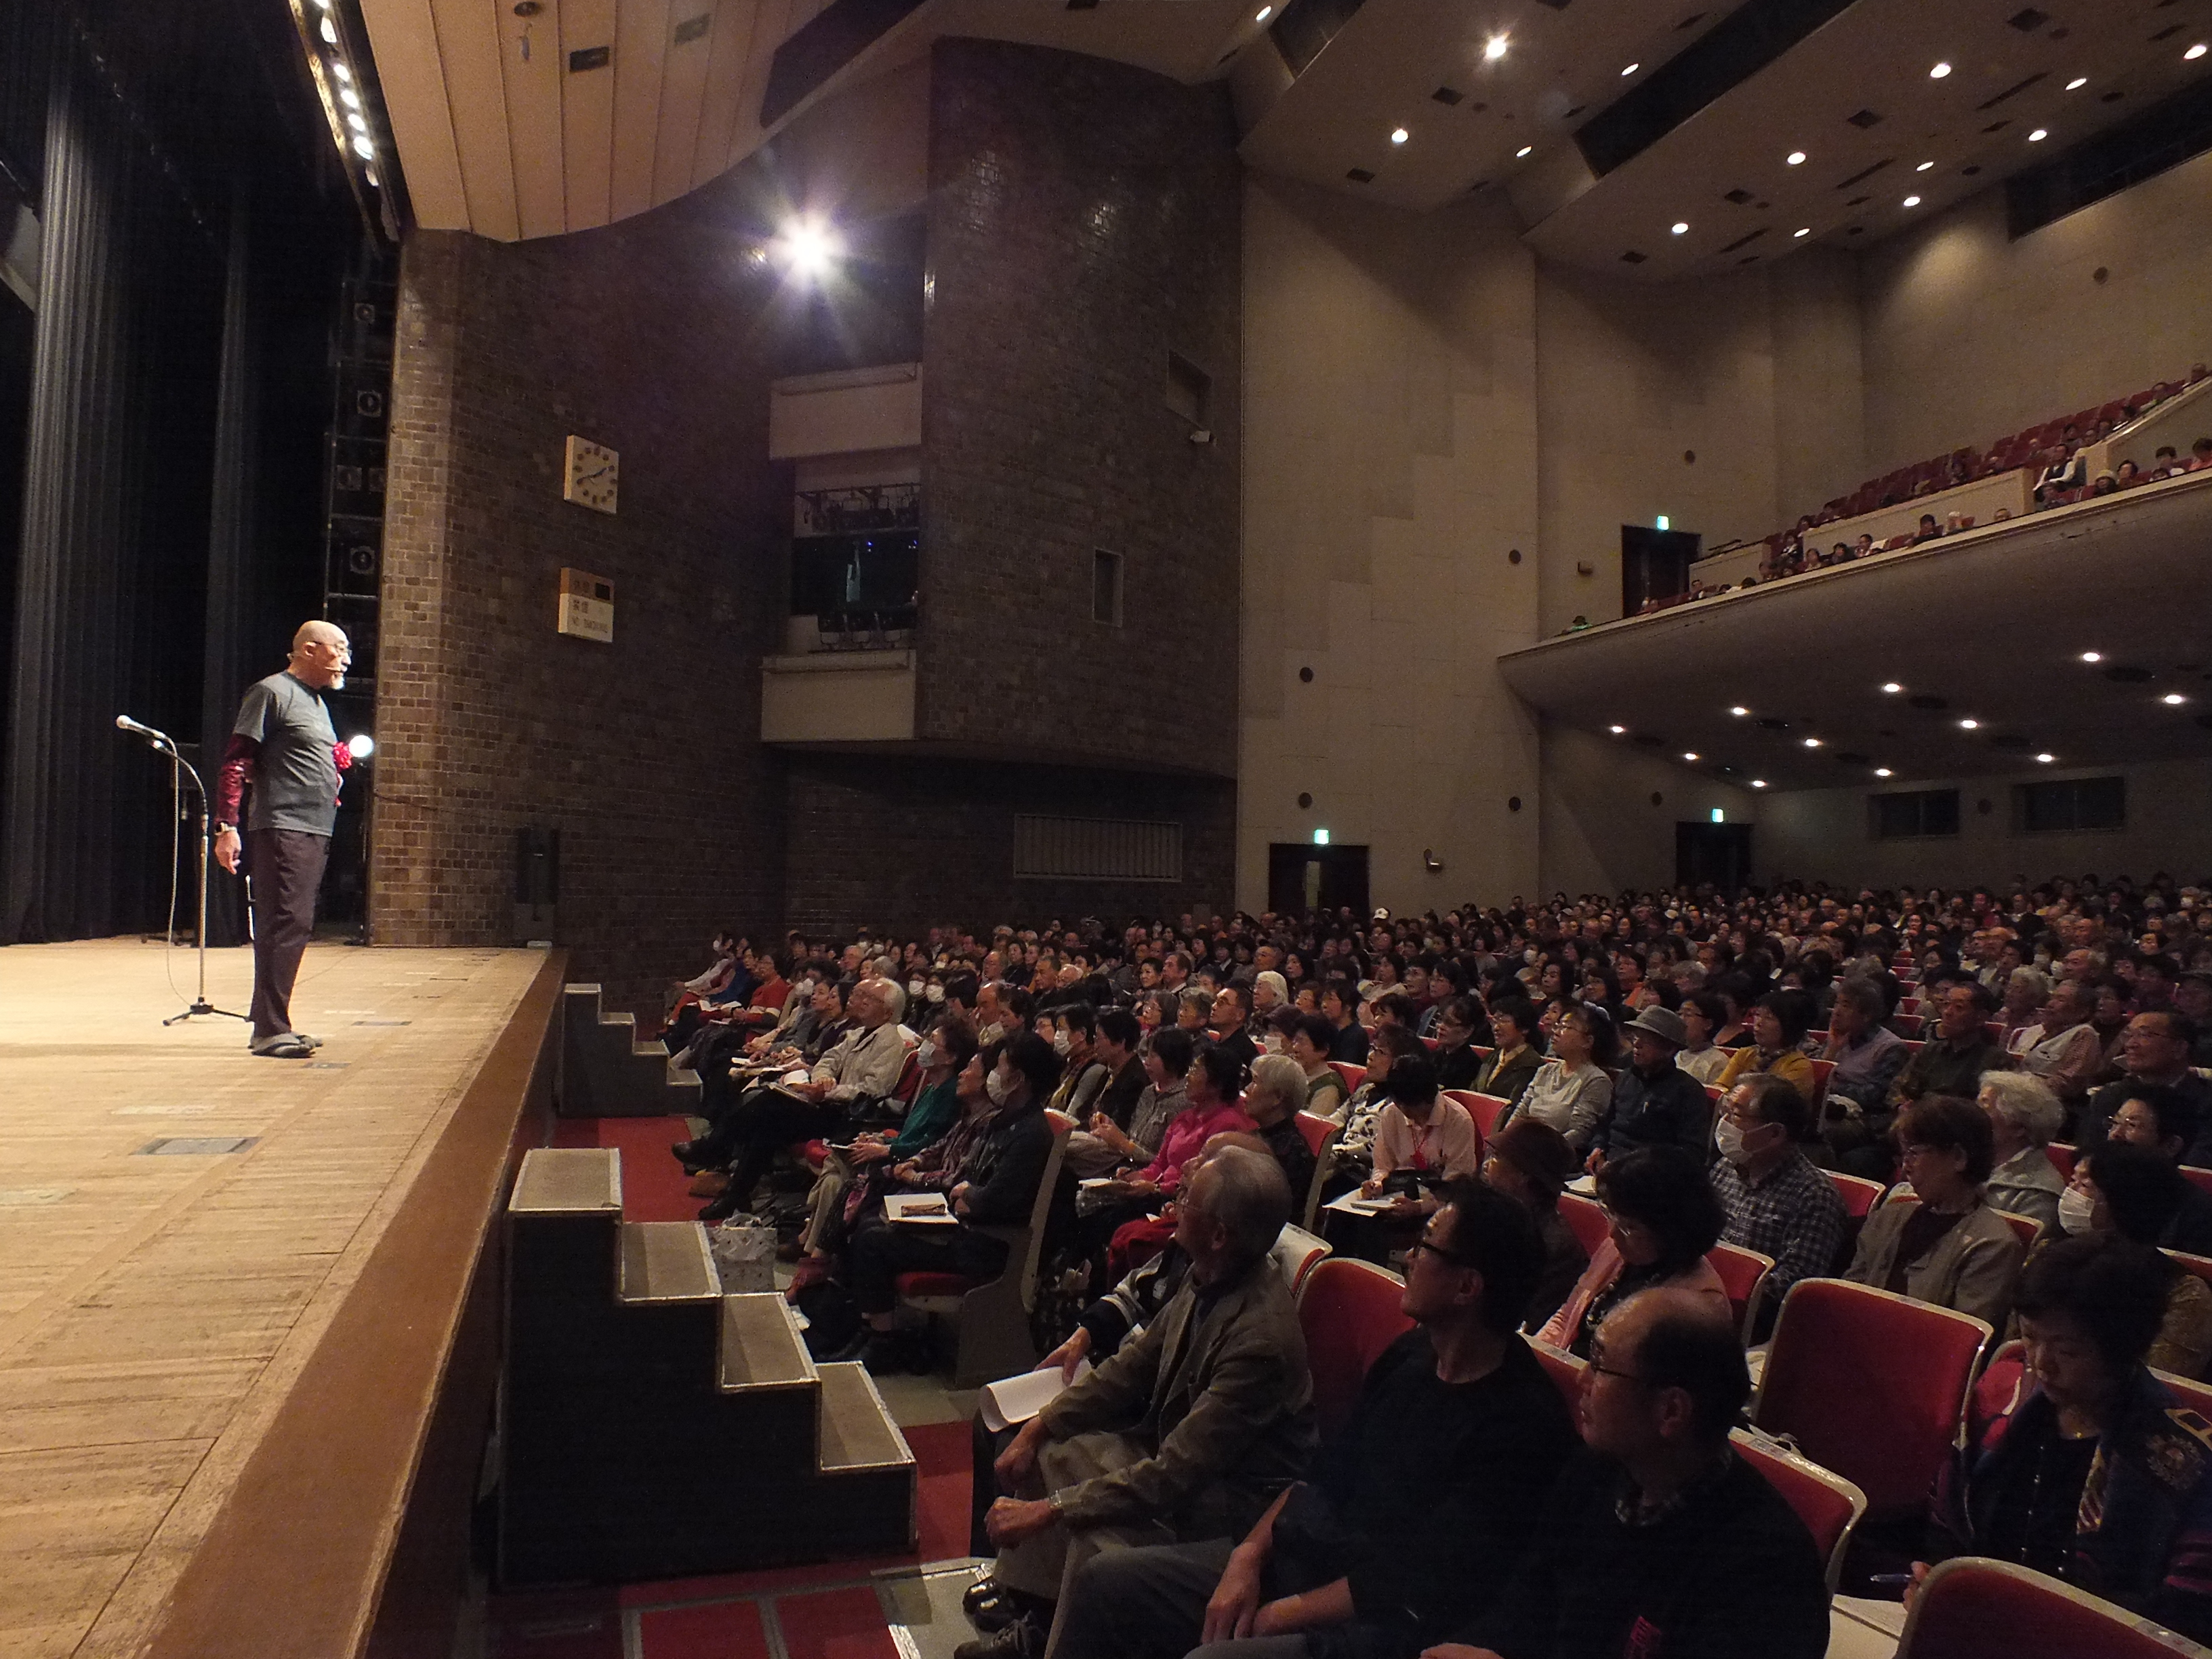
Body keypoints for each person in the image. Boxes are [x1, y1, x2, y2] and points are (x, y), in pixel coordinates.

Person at [1054, 1183, 1580, 1659]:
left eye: (1426, 1247)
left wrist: (1278, 1615)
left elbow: (1419, 1581)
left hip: (1375, 1623)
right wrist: (1248, 1557)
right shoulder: (1413, 1355)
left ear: (1467, 1287)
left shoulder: (1521, 1426)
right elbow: (1322, 1472)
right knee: (1106, 1582)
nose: (1409, 1257)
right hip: (1304, 1560)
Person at [962, 1148, 1314, 1659]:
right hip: (1184, 1465)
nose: (1176, 1201)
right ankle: (1034, 1619)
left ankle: (1055, 1645)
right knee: (1048, 1453)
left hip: (1229, 1509)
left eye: (1188, 1199)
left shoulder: (1260, 1341)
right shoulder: (1208, 1274)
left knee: (1092, 1534)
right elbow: (1130, 1370)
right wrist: (1040, 1425)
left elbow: (1175, 1475)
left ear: (1218, 1234)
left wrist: (1050, 1510)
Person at [1434, 1289, 1831, 1659]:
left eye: (1600, 1366)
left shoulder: (1766, 1569)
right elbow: (1527, 1601)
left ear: (1671, 1411)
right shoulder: (1594, 1472)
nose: (1582, 1379)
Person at [1924, 1235, 2212, 1644]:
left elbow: (2188, 1616)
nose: (2041, 1363)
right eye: (2030, 1337)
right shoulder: (2001, 1402)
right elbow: (1947, 1529)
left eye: (2067, 1350)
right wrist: (1936, 1583)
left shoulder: (2185, 1459)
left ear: (2121, 1351)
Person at [839, 1031, 1060, 1372]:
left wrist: (966, 1194)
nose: (993, 1075)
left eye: (999, 1068)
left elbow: (991, 1200)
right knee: (871, 1223)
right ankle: (869, 1329)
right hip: (962, 1227)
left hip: (984, 1245)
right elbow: (966, 1176)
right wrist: (964, 1192)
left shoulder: (1031, 1134)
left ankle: (883, 1342)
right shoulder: (1005, 1120)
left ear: (1019, 1079)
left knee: (874, 1242)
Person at [211, 619, 354, 1058]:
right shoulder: (271, 692)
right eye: (339, 649)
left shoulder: (317, 703)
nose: (346, 660)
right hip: (282, 824)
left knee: (294, 923)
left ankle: (273, 1024)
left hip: (313, 826)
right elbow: (237, 761)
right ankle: (270, 1030)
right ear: (310, 650)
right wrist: (226, 827)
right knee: (286, 922)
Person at [695, 978, 913, 1218]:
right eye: (860, 994)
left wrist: (828, 1091)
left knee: (768, 1103)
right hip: (828, 1104)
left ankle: (715, 1148)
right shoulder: (859, 1033)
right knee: (767, 1125)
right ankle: (734, 1194)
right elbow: (827, 1061)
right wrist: (822, 1080)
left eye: (868, 998)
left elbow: (873, 1089)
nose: (859, 1001)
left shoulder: (891, 1043)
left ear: (888, 1011)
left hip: (849, 1117)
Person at [1845, 1094, 2025, 1329]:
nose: (1905, 1167)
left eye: (1914, 1153)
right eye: (1903, 1154)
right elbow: (1848, 1298)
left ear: (1958, 1158)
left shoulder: (1993, 1244)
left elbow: (1960, 1335)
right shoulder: (1887, 1218)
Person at [1536, 1147, 1727, 1359]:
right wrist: (1538, 1355)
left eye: (1629, 1227)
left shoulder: (1701, 1301)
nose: (1612, 1232)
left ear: (1671, 1231)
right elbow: (1567, 1317)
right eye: (1609, 1213)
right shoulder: (1615, 1250)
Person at [1710, 1076, 1848, 1336]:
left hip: (1752, 1321)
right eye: (1725, 1112)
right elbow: (1698, 1231)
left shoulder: (1814, 1196)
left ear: (1775, 1133)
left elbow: (1792, 1285)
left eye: (1736, 1115)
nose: (1724, 1123)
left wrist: (1722, 1292)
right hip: (1706, 1297)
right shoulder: (1726, 1168)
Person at [2056, 1144, 2212, 1374]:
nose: (2070, 1192)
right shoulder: (2052, 1256)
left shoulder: (2185, 1295)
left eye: (2085, 1186)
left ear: (2124, 1203)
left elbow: (2157, 1380)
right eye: (2072, 1181)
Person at [1482, 1118, 1588, 1333]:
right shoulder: (1496, 1214)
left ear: (1523, 1175)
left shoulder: (1554, 1248)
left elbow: (1525, 1325)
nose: (1486, 1165)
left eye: (1496, 1157)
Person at [1588, 1006, 1710, 1170]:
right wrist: (1598, 1147)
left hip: (1649, 1173)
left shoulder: (1688, 1091)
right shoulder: (1626, 1077)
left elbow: (1692, 1153)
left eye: (1647, 1040)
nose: (1637, 1044)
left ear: (1669, 1049)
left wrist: (1640, 1167)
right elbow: (1605, 1123)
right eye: (1636, 1037)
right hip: (1610, 1165)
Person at [2083, 1011, 2212, 1160]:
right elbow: (2089, 1153)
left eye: (2144, 1035)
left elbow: (2198, 1166)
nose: (2130, 1045)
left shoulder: (2206, 1100)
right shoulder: (2111, 1095)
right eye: (2129, 1035)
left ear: (2180, 1048)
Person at [1363, 1054, 1481, 1214]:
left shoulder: (1458, 1120)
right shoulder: (1392, 1113)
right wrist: (1377, 1184)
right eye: (1398, 1103)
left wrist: (1420, 1207)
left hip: (1440, 1206)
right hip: (1397, 1193)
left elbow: (1456, 1186)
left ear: (1429, 1098)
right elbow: (1383, 1165)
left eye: (1410, 1106)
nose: (1403, 1110)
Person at [1508, 1004, 1617, 1153]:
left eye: (1565, 1027)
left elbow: (1579, 1134)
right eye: (1557, 1026)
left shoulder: (1596, 1080)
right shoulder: (1546, 1070)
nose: (1556, 1032)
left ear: (1588, 1042)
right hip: (1524, 1147)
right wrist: (1505, 1140)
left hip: (1555, 1155)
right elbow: (1521, 1111)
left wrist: (1539, 1153)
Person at [1890, 981, 2007, 1107]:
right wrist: (1902, 1106)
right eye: (1946, 1005)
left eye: (1959, 1007)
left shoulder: (1996, 1060)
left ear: (1980, 1018)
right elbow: (1898, 1088)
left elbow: (1994, 1108)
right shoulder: (1929, 1051)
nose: (1947, 1012)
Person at [1978, 1071, 2068, 1234]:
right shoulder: (1961, 1160)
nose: (1971, 1115)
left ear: (2018, 1128)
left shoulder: (2037, 1194)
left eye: (1984, 1109)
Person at [1714, 991, 1817, 1103]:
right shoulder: (1745, 1054)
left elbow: (1774, 1106)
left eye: (1769, 1018)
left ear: (1789, 1025)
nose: (1759, 1023)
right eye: (1758, 1015)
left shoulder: (1798, 1066)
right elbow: (1720, 1089)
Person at [1244, 1054, 1319, 1204]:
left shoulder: (1293, 1154)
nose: (1247, 1089)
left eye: (1255, 1082)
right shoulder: (1257, 1134)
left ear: (1277, 1098)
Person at [1469, 998, 1542, 1108]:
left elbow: (1515, 1106)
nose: (1496, 1028)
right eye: (1495, 1021)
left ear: (1524, 1029)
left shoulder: (1532, 1064)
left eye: (1503, 1021)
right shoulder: (1491, 1057)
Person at [1288, 1013, 1349, 1122]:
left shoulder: (1328, 1089)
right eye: (1295, 1041)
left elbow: (1311, 1127)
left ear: (1323, 1051)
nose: (1295, 1048)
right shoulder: (1294, 1074)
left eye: (1302, 1042)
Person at [1674, 991, 1732, 1087]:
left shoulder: (1718, 1062)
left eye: (1688, 1015)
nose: (1681, 1019)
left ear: (1708, 1024)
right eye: (1679, 1014)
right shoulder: (1673, 1053)